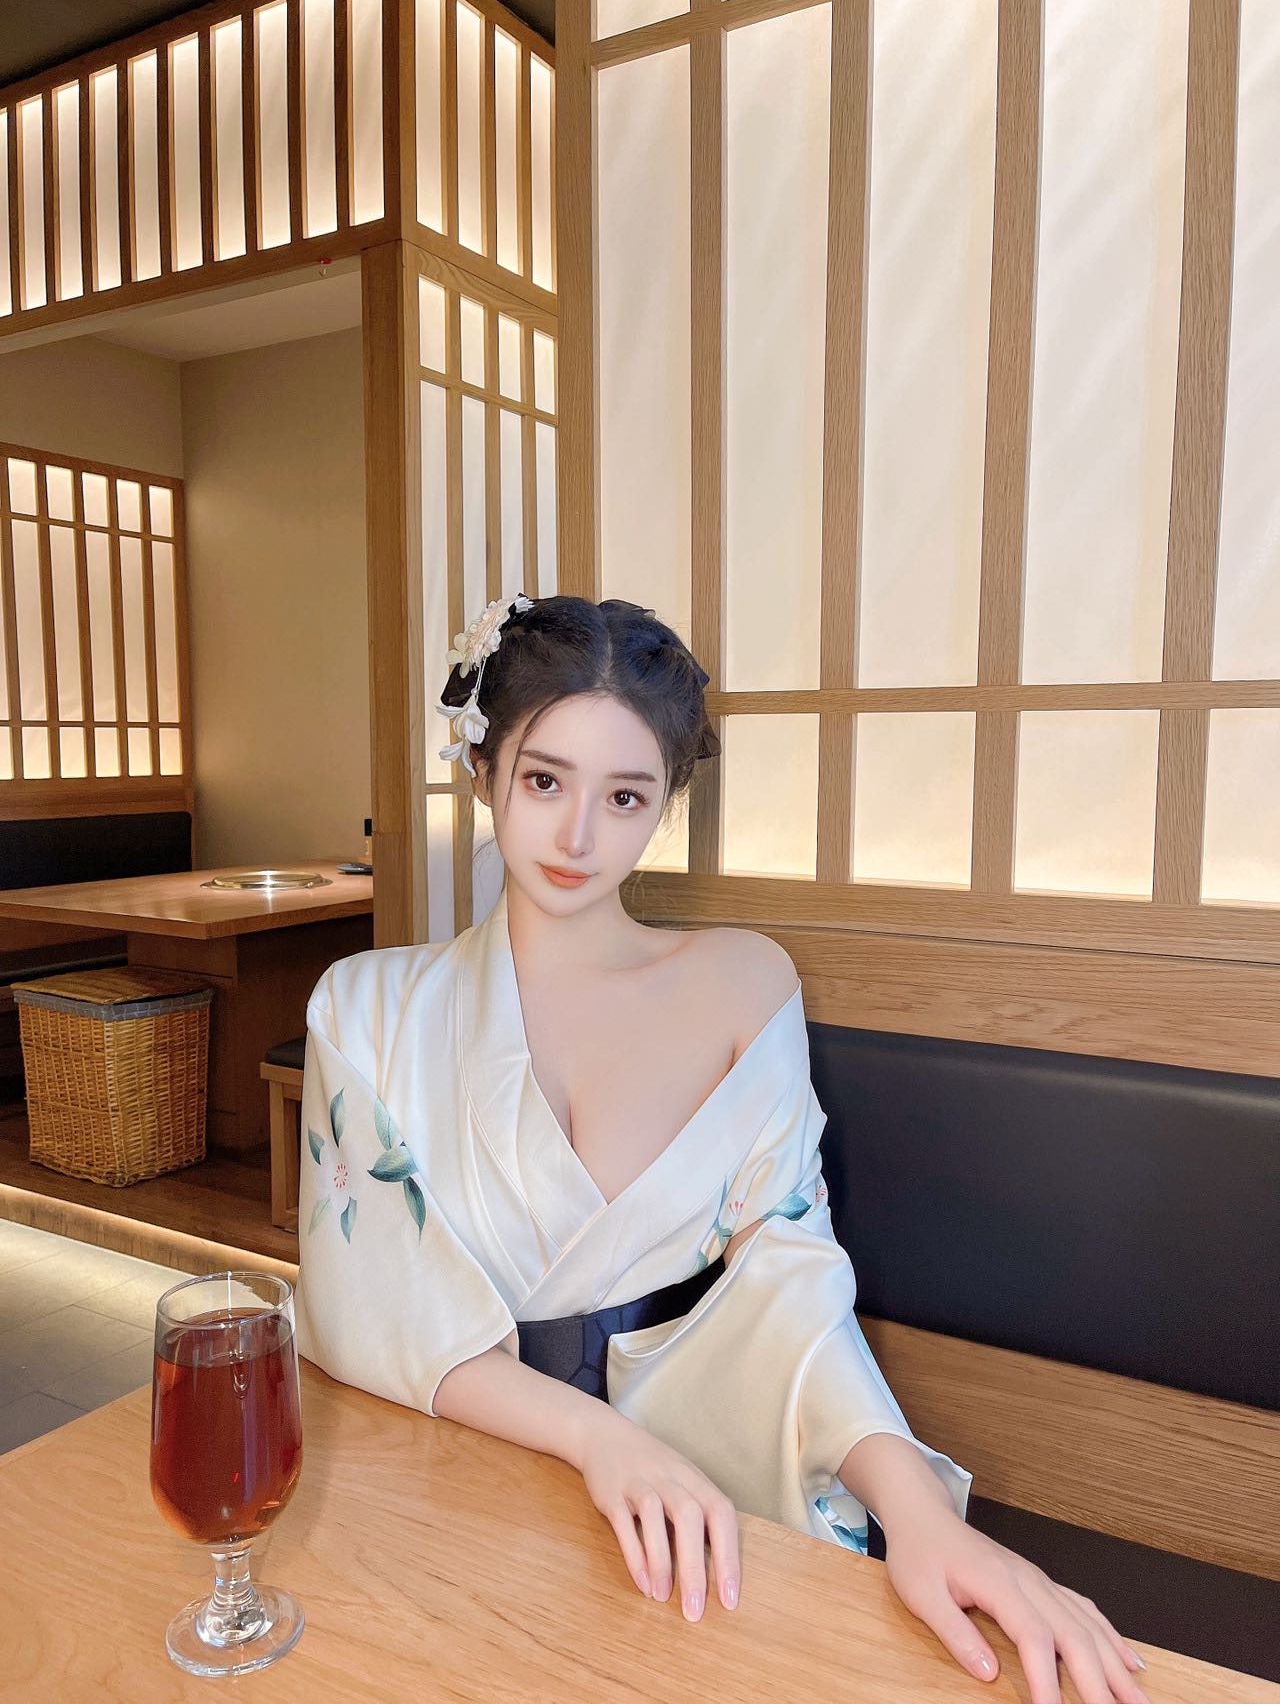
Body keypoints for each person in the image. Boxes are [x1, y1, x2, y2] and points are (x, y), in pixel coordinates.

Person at [295, 593, 1149, 1704]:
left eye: (624, 796)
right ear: (482, 768)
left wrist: (919, 1515)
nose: (578, 836)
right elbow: (366, 1308)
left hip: (696, 1493)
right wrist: (598, 1441)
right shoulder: (366, 1007)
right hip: (443, 1480)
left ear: (665, 804)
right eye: (544, 781)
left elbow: (787, 1271)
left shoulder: (744, 982)